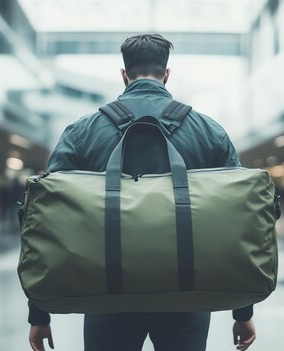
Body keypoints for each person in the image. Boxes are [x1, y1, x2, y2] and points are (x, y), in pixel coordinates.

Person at [28, 33, 256, 351]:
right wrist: (242, 311)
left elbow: (44, 220)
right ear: (166, 75)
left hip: (106, 296)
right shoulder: (209, 131)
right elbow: (238, 222)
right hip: (186, 297)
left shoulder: (82, 132)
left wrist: (39, 314)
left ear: (124, 75)